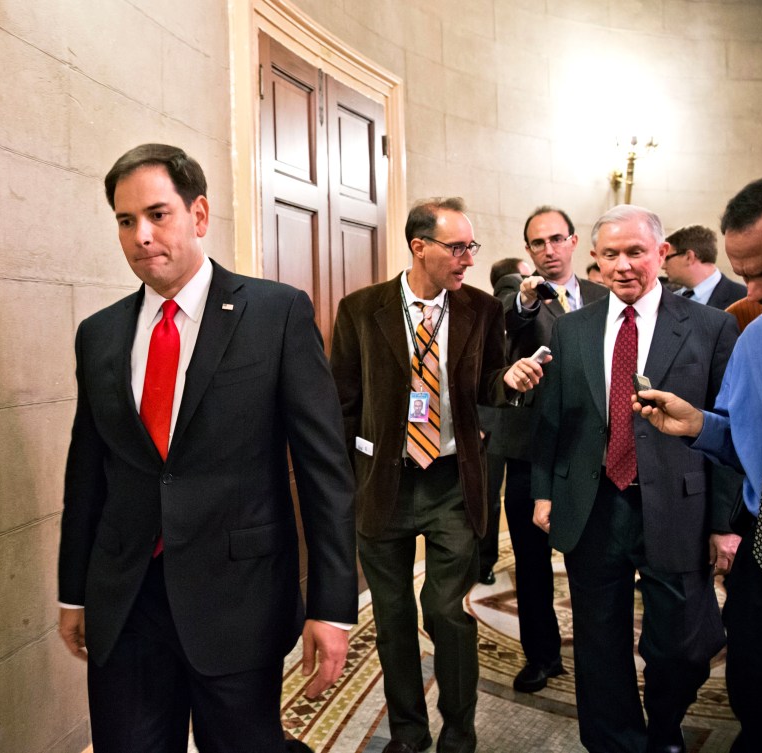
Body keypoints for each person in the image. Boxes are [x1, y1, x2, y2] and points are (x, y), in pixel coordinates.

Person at [57, 144, 358, 753]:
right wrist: (74, 590)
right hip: (127, 600)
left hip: (238, 600)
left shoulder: (275, 314)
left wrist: (333, 604)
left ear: (199, 215)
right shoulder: (100, 334)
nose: (141, 235)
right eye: (125, 220)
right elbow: (87, 471)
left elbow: (324, 471)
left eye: (157, 214)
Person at [330, 197, 547, 753]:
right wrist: (352, 475)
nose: (468, 259)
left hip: (452, 482)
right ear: (419, 246)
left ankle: (459, 730)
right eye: (457, 247)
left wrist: (511, 381)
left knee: (447, 611)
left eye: (471, 247)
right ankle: (408, 731)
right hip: (385, 485)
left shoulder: (480, 308)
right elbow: (343, 401)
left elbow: (486, 383)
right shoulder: (360, 309)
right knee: (393, 613)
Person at [531, 204, 741, 753]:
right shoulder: (573, 329)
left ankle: (666, 726)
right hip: (593, 503)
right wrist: (544, 490)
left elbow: (727, 429)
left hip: (677, 506)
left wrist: (724, 523)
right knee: (598, 642)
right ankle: (615, 742)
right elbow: (553, 418)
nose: (623, 266)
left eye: (635, 252)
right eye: (610, 255)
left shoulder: (713, 327)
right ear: (594, 260)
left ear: (661, 253)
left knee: (683, 644)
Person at [633, 173, 762, 752]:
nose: (752, 290)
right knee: (759, 693)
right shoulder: (757, 336)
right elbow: (758, 447)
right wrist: (699, 425)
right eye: (744, 270)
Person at [492, 207, 608, 693]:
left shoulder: (604, 295)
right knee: (532, 561)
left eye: (556, 239)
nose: (549, 250)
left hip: (591, 447)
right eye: (537, 243)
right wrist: (522, 297)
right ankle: (541, 656)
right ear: (528, 252)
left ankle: (601, 655)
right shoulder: (520, 300)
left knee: (596, 558)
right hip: (529, 450)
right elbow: (506, 318)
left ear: (575, 241)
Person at [478, 256, 531, 585]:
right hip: (500, 419)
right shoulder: (509, 295)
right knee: (494, 497)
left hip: (496, 420)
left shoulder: (487, 305)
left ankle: (483, 562)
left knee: (489, 497)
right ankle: (485, 561)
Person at [662, 224, 747, 308]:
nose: (663, 266)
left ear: (689, 257)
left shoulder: (744, 299)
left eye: (667, 258)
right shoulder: (668, 300)